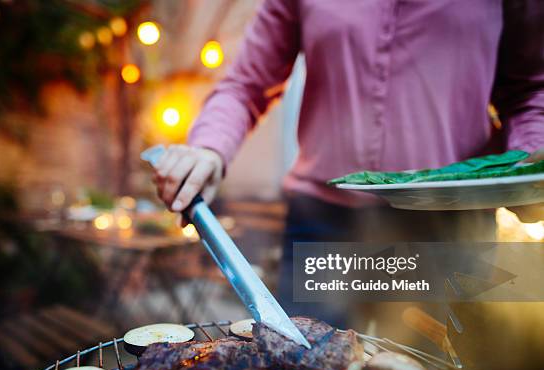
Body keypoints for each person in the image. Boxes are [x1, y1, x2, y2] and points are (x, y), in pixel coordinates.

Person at [151, 0, 544, 324]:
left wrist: (531, 166)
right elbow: (246, 84)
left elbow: (530, 88)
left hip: (448, 227)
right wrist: (208, 148)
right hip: (327, 228)